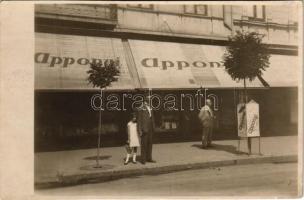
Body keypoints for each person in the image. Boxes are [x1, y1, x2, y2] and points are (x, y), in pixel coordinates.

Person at [137, 95, 156, 164]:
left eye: (150, 99)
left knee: (150, 143)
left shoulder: (150, 107)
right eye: (149, 99)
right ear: (146, 99)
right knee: (144, 144)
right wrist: (139, 130)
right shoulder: (141, 108)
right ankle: (143, 160)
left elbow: (152, 117)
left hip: (150, 128)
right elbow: (139, 120)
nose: (150, 100)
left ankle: (149, 158)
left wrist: (154, 127)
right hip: (144, 128)